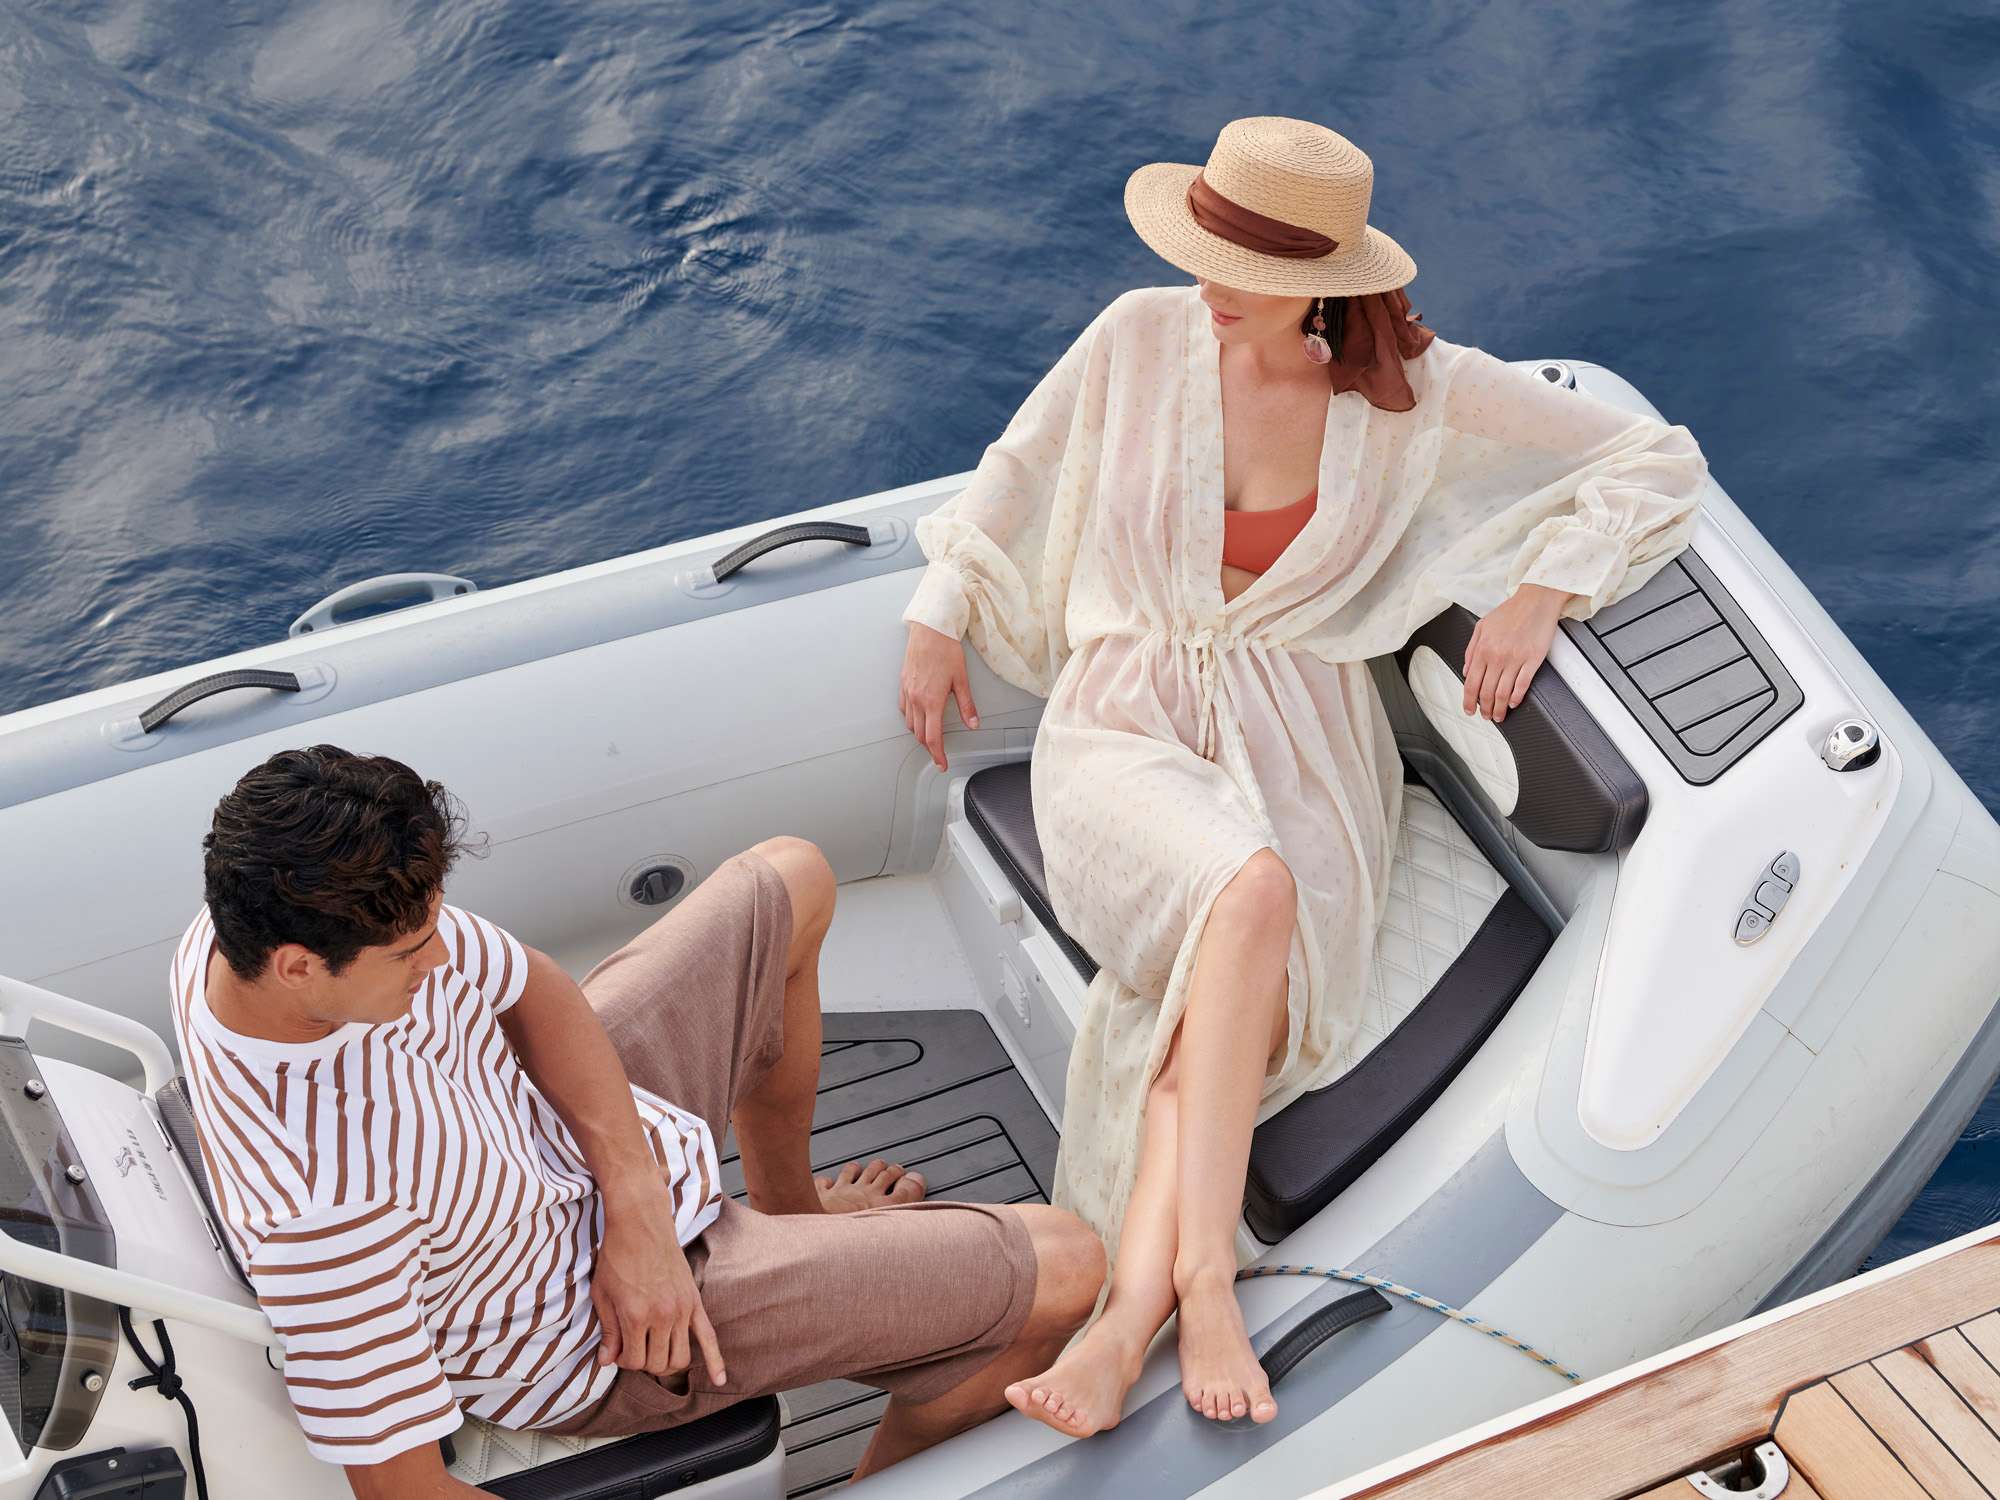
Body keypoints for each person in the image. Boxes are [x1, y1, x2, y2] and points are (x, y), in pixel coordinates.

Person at [897, 116, 1708, 1435]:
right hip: (1122, 725)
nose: (1206, 285)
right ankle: (1201, 1285)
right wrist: (939, 611)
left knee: (1223, 988)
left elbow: (1651, 453)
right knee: (1250, 893)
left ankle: (1132, 1317)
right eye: (1203, 252)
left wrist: (1543, 592)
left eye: (1241, 267)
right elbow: (1021, 464)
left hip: (1305, 749)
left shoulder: (1418, 395)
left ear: (1319, 282)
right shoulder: (1137, 337)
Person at [170, 744, 1105, 1497]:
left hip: (573, 1153)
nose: (439, 958)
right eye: (412, 953)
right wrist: (641, 1248)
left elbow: (531, 987)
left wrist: (636, 1210)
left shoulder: (242, 933)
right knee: (1066, 1269)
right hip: (592, 1334)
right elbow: (405, 1494)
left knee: (795, 877)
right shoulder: (317, 1213)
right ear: (299, 968)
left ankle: (794, 1219)